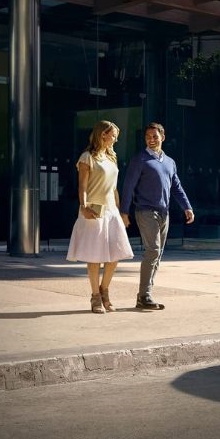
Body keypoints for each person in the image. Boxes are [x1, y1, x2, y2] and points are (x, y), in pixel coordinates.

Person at [119, 122, 194, 310]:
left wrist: (187, 207)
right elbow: (128, 186)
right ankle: (144, 295)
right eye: (148, 137)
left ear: (163, 137)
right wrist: (124, 212)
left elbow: (176, 187)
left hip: (164, 213)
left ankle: (145, 295)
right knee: (152, 251)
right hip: (145, 211)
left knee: (157, 255)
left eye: (155, 136)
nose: (151, 140)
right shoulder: (140, 159)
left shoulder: (169, 162)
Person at [66, 120, 135, 313]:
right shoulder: (87, 157)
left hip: (112, 211)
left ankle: (105, 290)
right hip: (94, 211)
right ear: (102, 134)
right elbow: (82, 186)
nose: (116, 139)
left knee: (115, 255)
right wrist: (84, 206)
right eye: (113, 135)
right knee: (95, 257)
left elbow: (114, 189)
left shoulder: (112, 158)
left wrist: (121, 213)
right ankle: (95, 297)